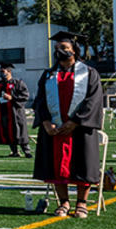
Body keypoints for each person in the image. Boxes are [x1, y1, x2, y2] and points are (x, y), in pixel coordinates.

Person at [33, 31, 104, 218]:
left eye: (64, 48)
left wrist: (75, 121)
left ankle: (81, 203)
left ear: (74, 51)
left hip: (80, 128)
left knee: (83, 164)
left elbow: (93, 100)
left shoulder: (89, 73)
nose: (59, 51)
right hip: (55, 130)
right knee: (56, 167)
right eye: (57, 48)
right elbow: (40, 100)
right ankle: (63, 202)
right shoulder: (48, 75)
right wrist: (46, 122)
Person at [0, 63, 31, 157]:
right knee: (7, 132)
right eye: (0, 71)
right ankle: (14, 152)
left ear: (9, 72)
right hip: (3, 113)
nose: (1, 73)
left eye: (3, 71)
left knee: (20, 132)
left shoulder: (18, 83)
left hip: (15, 113)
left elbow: (25, 96)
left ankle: (27, 152)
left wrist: (12, 98)